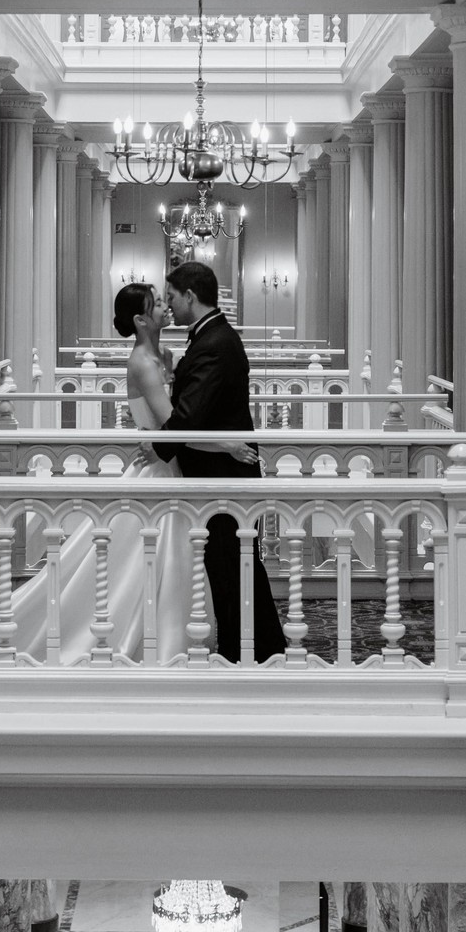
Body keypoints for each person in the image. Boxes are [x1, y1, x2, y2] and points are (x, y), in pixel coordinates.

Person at [0, 281, 253, 664]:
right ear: (139, 318)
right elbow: (177, 431)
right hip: (160, 472)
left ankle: (177, 638)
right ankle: (154, 641)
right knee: (147, 559)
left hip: (172, 467)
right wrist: (227, 445)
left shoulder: (164, 355)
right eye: (156, 304)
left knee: (178, 560)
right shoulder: (143, 364)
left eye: (167, 300)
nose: (165, 307)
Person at [151, 260, 288, 664]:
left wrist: (155, 447)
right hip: (218, 470)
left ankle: (250, 651)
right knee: (233, 564)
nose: (170, 306)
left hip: (224, 475)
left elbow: (190, 417)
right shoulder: (211, 337)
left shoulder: (214, 342)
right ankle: (252, 647)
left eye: (172, 297)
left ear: (190, 296)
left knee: (234, 565)